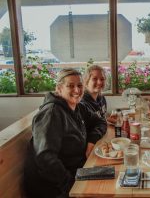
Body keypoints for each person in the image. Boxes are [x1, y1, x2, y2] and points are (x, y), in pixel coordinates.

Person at [23, 68, 107, 198]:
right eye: (70, 86)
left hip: (77, 171)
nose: (77, 90)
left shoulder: (78, 107)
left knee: (114, 174)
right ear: (59, 88)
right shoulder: (51, 114)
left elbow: (100, 122)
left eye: (79, 85)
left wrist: (91, 141)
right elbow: (45, 158)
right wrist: (71, 184)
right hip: (53, 187)